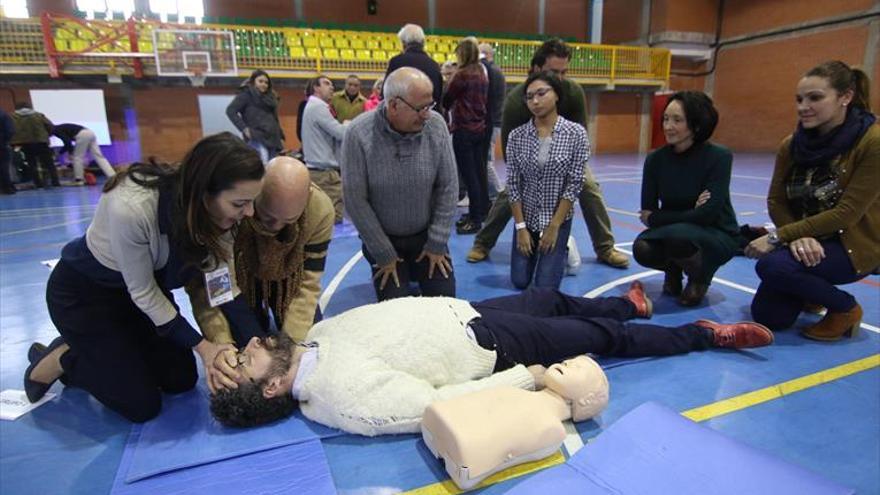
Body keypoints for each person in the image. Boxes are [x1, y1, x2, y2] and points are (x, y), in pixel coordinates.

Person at [208, 281, 773, 434]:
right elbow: (430, 406)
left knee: (550, 297)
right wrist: (521, 382)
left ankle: (628, 303)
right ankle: (703, 334)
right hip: (488, 346)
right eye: (245, 361)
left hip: (465, 309)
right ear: (272, 389)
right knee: (595, 336)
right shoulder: (340, 399)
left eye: (239, 347)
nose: (250, 344)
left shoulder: (312, 341)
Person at [23, 133, 264, 422]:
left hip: (142, 300)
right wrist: (205, 347)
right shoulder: (131, 207)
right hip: (86, 298)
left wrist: (259, 340)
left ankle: (113, 353)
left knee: (181, 380)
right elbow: (145, 293)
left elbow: (222, 285)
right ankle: (65, 357)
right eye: (240, 204)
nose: (248, 213)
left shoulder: (219, 218)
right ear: (203, 193)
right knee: (141, 405)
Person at [744, 60, 878, 341]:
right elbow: (776, 201)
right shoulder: (791, 145)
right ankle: (811, 289)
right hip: (806, 239)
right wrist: (796, 238)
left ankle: (845, 309)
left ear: (846, 97)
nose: (803, 106)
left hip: (849, 243)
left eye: (815, 98)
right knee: (770, 317)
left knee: (770, 266)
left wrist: (779, 236)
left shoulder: (872, 142)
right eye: (799, 99)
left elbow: (846, 213)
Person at [466, 39, 629, 269]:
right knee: (510, 192)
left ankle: (605, 247)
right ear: (537, 69)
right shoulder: (516, 103)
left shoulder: (574, 93)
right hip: (528, 159)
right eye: (554, 72)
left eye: (564, 72)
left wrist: (564, 167)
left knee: (589, 186)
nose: (560, 77)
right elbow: (512, 159)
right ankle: (483, 243)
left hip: (566, 156)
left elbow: (580, 140)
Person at [188, 156, 334, 347]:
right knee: (247, 342)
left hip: (290, 277)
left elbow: (308, 282)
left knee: (308, 342)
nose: (276, 226)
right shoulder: (229, 207)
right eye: (267, 216)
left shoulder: (320, 210)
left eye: (288, 219)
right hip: (240, 277)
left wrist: (291, 343)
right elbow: (209, 286)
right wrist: (221, 342)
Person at [341, 67, 458, 302]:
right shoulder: (357, 134)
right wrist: (384, 254)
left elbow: (448, 186)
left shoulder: (436, 126)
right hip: (384, 240)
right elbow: (355, 199)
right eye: (420, 108)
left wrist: (437, 243)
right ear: (393, 105)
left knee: (447, 305)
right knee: (395, 309)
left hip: (427, 238)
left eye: (430, 106)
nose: (427, 114)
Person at [633, 91, 742, 306]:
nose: (668, 126)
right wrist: (691, 212)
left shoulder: (719, 157)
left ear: (697, 124)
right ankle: (672, 270)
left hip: (716, 232)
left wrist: (658, 218)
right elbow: (646, 210)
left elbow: (707, 214)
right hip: (678, 231)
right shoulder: (655, 160)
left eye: (677, 120)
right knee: (643, 248)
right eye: (665, 118)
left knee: (678, 236)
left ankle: (700, 278)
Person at [507, 71, 587, 289]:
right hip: (528, 217)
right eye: (529, 96)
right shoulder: (516, 136)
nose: (535, 101)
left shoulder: (576, 134)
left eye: (541, 93)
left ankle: (566, 245)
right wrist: (521, 228)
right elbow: (513, 185)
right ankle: (540, 247)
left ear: (557, 95)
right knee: (520, 281)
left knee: (545, 287)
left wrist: (554, 226)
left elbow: (574, 184)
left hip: (557, 219)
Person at [443, 37, 489, 235]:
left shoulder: (462, 75)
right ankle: (480, 212)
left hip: (464, 129)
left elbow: (447, 100)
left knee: (469, 176)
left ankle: (475, 219)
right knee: (478, 174)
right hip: (480, 128)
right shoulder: (482, 72)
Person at [302, 75, 348, 224]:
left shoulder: (311, 106)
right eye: (327, 83)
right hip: (324, 174)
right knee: (333, 220)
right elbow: (340, 133)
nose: (332, 87)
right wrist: (349, 124)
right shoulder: (318, 107)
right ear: (316, 88)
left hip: (317, 171)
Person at [226, 69, 285, 163]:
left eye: (266, 82)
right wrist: (244, 129)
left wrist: (281, 136)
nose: (264, 84)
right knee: (262, 166)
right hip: (256, 137)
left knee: (271, 168)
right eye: (260, 81)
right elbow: (230, 111)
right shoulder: (246, 95)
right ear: (253, 82)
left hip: (273, 138)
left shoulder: (271, 99)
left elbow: (275, 119)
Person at [386, 23, 443, 109]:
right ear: (423, 43)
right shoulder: (434, 65)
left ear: (403, 43)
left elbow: (386, 94)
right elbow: (438, 97)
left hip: (402, 116)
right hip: (429, 116)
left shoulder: (396, 62)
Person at [479, 42, 506, 202]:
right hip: (495, 121)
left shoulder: (491, 72)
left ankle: (499, 193)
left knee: (486, 161)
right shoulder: (496, 71)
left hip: (492, 122)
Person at [10, 101, 58, 188]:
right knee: (49, 163)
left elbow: (10, 129)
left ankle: (38, 184)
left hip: (25, 143)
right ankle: (55, 182)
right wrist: (47, 135)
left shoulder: (13, 116)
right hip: (41, 141)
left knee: (31, 163)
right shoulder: (38, 115)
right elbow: (50, 126)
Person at [51, 123, 117, 185]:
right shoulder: (60, 127)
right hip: (90, 132)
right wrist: (67, 151)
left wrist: (61, 153)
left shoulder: (55, 130)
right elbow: (68, 142)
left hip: (81, 135)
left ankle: (79, 179)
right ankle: (112, 176)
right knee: (99, 156)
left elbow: (67, 142)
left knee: (77, 157)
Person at [0, 108, 15, 194]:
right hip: (2, 145)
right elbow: (10, 130)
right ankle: (6, 188)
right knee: (4, 166)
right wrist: (5, 141)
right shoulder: (3, 114)